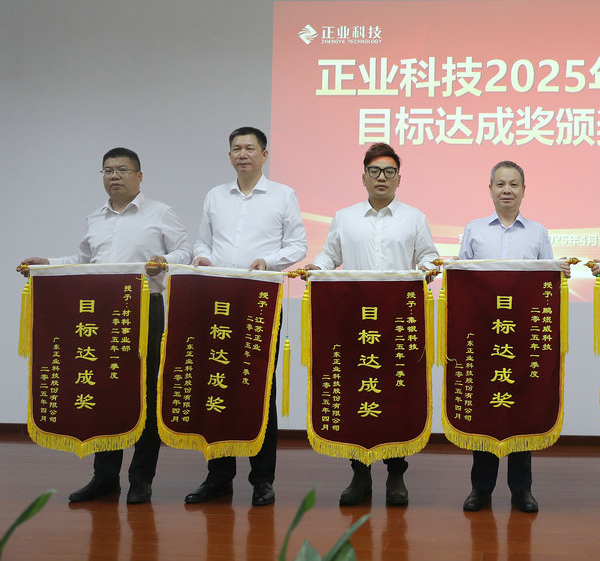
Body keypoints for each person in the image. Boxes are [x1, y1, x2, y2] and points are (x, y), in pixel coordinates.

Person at [19, 147, 192, 504]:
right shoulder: (95, 218)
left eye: (122, 169)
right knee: (105, 390)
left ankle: (141, 479)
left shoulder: (160, 213)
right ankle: (105, 477)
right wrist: (47, 263)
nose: (114, 176)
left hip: (144, 308)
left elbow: (185, 253)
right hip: (102, 312)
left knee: (145, 392)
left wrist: (163, 261)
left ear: (139, 176)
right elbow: (84, 260)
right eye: (108, 170)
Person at [305, 142, 439, 507]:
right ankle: (359, 474)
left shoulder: (414, 217)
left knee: (397, 393)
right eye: (375, 171)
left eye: (389, 172)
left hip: (398, 322)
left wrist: (427, 269)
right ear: (363, 177)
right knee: (356, 391)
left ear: (399, 179)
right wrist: (317, 267)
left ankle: (396, 475)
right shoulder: (344, 217)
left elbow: (429, 256)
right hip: (355, 322)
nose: (382, 178)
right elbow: (330, 255)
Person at [183, 127, 307, 507]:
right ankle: (219, 477)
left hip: (260, 301)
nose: (242, 154)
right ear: (229, 156)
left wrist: (268, 261)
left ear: (264, 155)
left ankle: (262, 480)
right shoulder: (215, 196)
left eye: (250, 148)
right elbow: (203, 240)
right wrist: (202, 256)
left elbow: (298, 245)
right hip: (218, 299)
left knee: (258, 388)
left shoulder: (283, 195)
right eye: (236, 148)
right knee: (217, 383)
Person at [456, 160, 570, 514]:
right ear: (490, 189)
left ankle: (522, 490)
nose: (507, 190)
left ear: (523, 190)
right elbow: (462, 282)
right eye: (501, 184)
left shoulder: (537, 232)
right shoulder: (474, 229)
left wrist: (560, 271)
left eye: (514, 184)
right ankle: (481, 489)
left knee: (522, 408)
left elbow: (547, 283)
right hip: (484, 336)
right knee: (485, 409)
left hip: (522, 336)